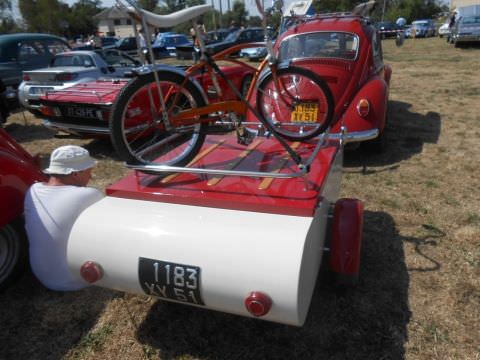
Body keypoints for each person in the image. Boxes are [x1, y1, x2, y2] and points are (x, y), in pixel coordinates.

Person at [24, 145, 103, 291]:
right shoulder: (88, 195)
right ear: (75, 174)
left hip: (41, 274)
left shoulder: (33, 190)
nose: (91, 177)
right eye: (88, 171)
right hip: (73, 279)